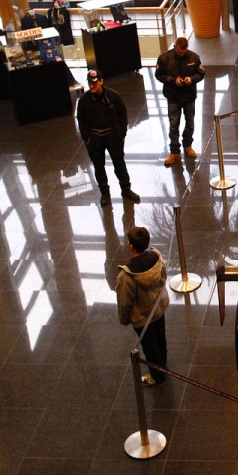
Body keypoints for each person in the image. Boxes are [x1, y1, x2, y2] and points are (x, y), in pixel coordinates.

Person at [76, 70, 141, 208]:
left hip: (113, 137)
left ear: (101, 81)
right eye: (89, 83)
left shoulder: (113, 96)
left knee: (119, 164)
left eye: (94, 83)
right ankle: (104, 192)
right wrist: (87, 139)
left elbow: (123, 114)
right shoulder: (84, 101)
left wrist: (122, 134)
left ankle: (126, 189)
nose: (91, 86)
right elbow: (81, 121)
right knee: (99, 167)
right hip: (95, 139)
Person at [116, 226, 169, 387]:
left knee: (149, 344)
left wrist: (124, 319)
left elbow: (125, 302)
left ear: (130, 246)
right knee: (160, 336)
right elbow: (164, 276)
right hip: (158, 308)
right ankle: (163, 364)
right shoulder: (157, 257)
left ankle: (157, 375)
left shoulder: (127, 276)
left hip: (142, 318)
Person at [155, 36, 205, 165]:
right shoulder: (164, 58)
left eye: (183, 52)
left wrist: (191, 79)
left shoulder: (194, 57)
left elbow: (201, 73)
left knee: (190, 124)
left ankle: (187, 146)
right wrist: (172, 80)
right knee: (174, 125)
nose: (181, 54)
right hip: (173, 97)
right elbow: (159, 75)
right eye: (179, 52)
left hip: (189, 96)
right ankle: (174, 152)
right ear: (175, 46)